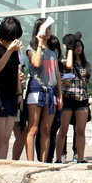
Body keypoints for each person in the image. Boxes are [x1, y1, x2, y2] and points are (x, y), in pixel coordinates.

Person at [26, 18, 62, 162]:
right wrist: (40, 43)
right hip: (37, 90)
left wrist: (60, 95)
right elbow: (36, 62)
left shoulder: (53, 52)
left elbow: (57, 74)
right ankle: (30, 161)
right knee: (33, 128)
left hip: (52, 92)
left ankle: (44, 160)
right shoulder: (31, 48)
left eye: (49, 28)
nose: (47, 31)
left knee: (47, 129)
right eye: (44, 28)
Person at [0, 17, 23, 159]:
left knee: (6, 137)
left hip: (12, 95)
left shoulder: (14, 49)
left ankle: (2, 163)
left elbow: (15, 72)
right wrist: (8, 51)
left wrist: (19, 93)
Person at [56, 33, 91, 163]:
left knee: (80, 130)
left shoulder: (85, 64)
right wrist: (69, 48)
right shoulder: (64, 60)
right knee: (63, 130)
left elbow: (87, 80)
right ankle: (59, 158)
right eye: (75, 46)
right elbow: (68, 66)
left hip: (81, 98)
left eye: (80, 45)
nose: (78, 48)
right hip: (67, 97)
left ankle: (80, 157)